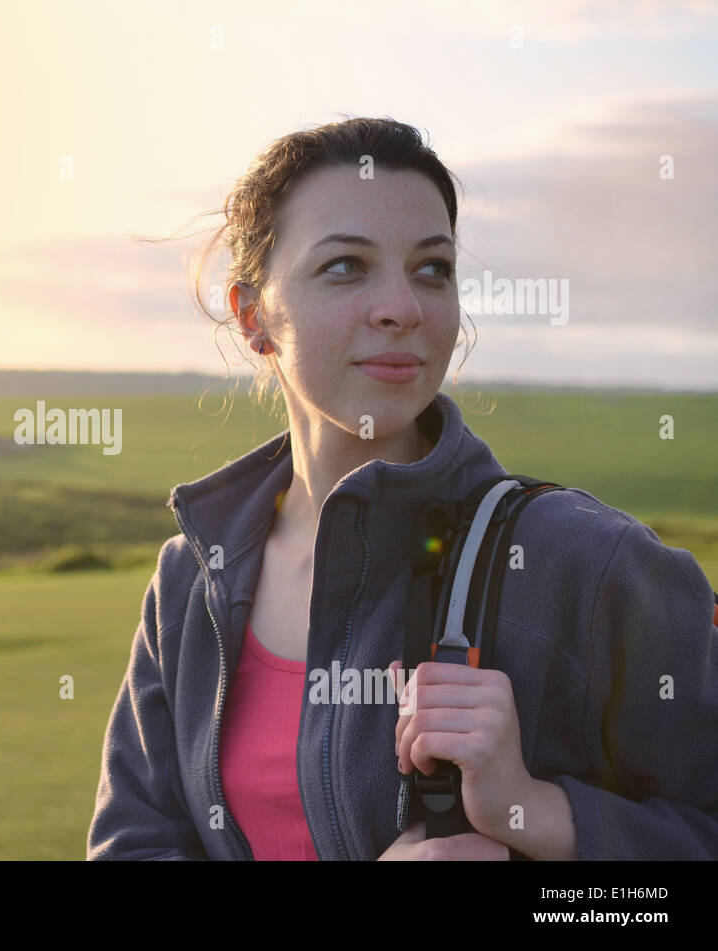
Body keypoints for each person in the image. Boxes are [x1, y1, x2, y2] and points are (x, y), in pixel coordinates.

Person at [86, 116, 718, 860]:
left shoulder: (586, 561)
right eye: (347, 267)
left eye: (431, 269)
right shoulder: (193, 580)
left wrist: (536, 813)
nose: (404, 306)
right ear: (255, 316)